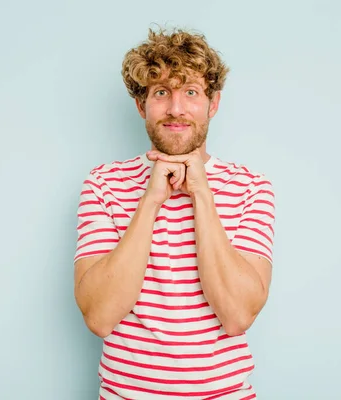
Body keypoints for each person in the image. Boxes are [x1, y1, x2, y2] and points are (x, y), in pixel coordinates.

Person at [73, 27, 276, 400]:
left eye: (191, 92)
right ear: (141, 106)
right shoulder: (103, 183)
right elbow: (99, 317)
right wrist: (150, 199)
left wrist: (202, 194)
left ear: (213, 104)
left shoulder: (251, 187)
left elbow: (237, 315)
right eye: (161, 92)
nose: (176, 108)